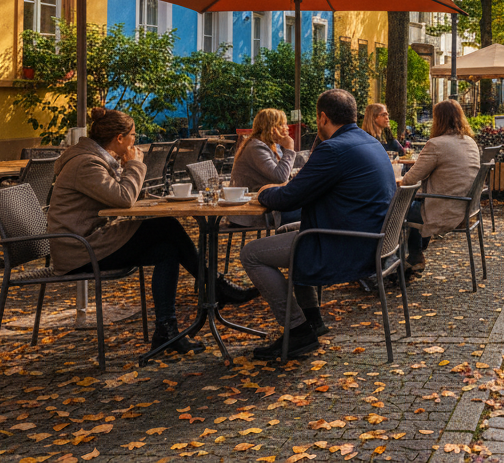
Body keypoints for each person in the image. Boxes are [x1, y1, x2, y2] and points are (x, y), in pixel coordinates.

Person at [49, 108, 256, 355]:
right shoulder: (86, 163)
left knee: (167, 250)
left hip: (93, 240)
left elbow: (120, 197)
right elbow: (124, 198)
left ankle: (167, 332)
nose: (135, 141)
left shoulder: (95, 159)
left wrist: (128, 169)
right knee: (165, 226)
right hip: (78, 249)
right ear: (119, 138)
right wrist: (135, 164)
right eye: (133, 136)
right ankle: (214, 284)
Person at [241, 89, 397, 360]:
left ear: (323, 118)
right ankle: (312, 320)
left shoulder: (334, 149)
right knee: (287, 232)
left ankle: (298, 330)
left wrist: (263, 192)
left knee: (251, 254)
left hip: (344, 244)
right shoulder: (370, 142)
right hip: (374, 240)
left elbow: (288, 198)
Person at [399, 100, 482, 270]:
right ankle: (415, 256)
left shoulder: (436, 144)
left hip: (443, 210)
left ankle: (392, 260)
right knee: (417, 203)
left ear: (438, 120)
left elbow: (410, 179)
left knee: (395, 210)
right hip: (466, 209)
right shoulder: (470, 142)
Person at [229, 108, 299, 227]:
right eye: (282, 124)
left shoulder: (268, 145)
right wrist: (289, 149)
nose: (287, 128)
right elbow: (280, 177)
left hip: (267, 206)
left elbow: (280, 175)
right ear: (272, 128)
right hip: (253, 213)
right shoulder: (256, 147)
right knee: (312, 211)